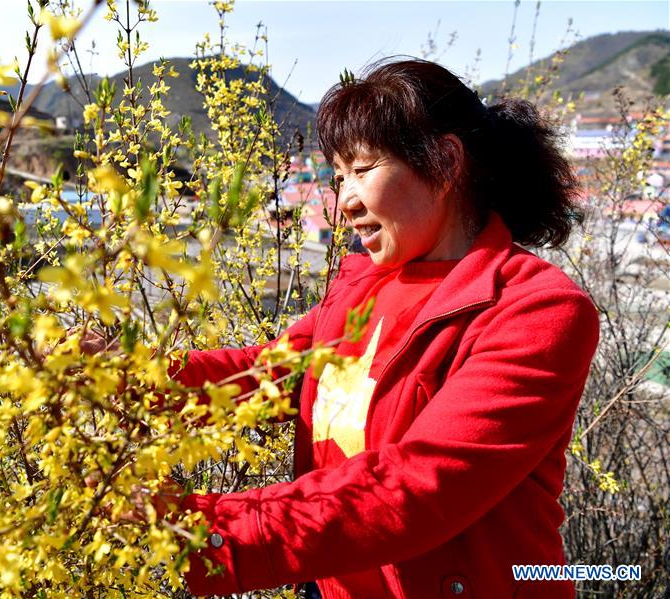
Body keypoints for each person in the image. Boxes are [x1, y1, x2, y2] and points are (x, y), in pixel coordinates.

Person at [161, 58, 600, 598]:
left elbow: (421, 486)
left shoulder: (536, 310)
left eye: (363, 170)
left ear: (444, 162)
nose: (344, 201)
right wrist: (123, 377)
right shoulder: (359, 289)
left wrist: (197, 532)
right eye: (338, 176)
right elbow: (267, 375)